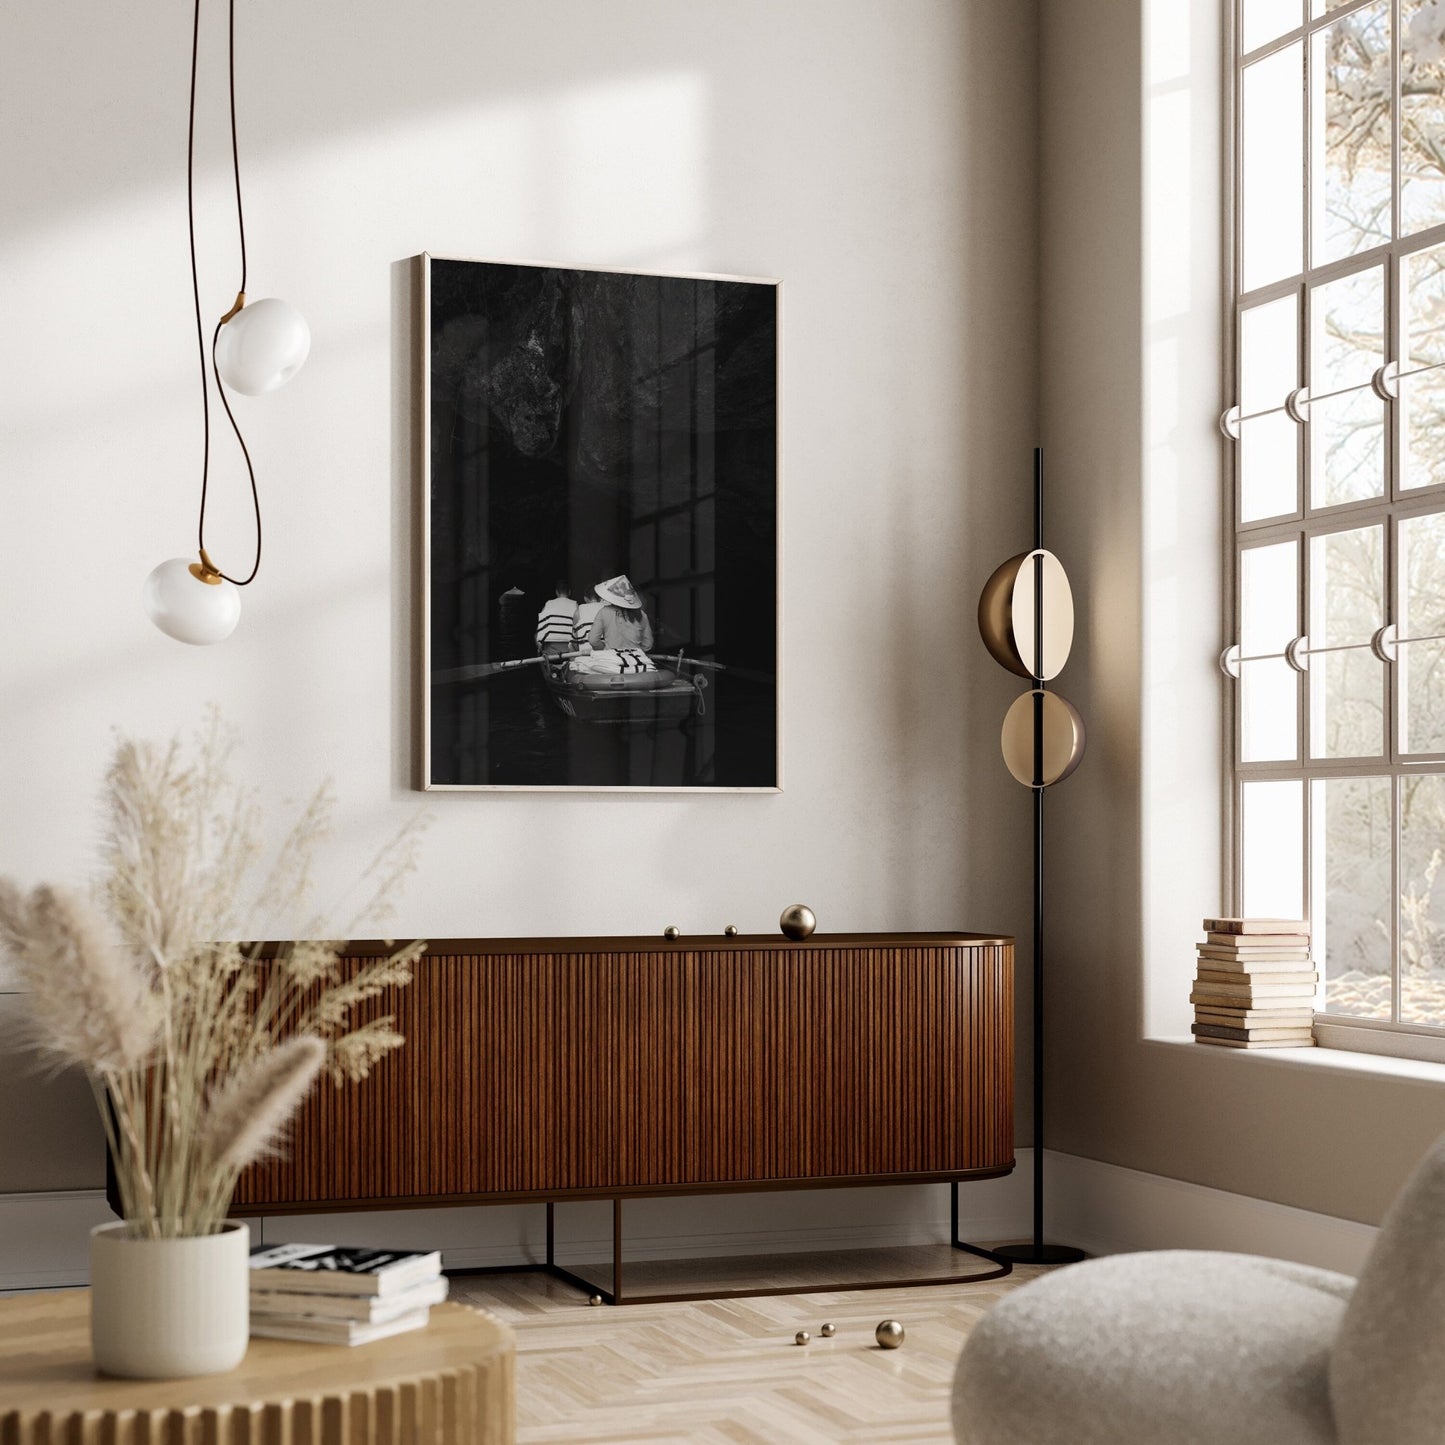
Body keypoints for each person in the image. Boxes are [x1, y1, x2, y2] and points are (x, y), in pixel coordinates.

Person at [587, 574, 654, 652]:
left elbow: (593, 640)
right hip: (636, 659)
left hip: (611, 657)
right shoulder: (641, 614)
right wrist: (636, 651)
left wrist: (605, 649)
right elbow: (648, 644)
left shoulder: (604, 612)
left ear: (613, 596)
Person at [535, 581, 578, 657]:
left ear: (556, 592)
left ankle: (544, 659)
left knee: (535, 635)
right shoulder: (575, 604)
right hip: (569, 648)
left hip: (550, 649)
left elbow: (541, 626)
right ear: (569, 592)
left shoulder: (548, 603)